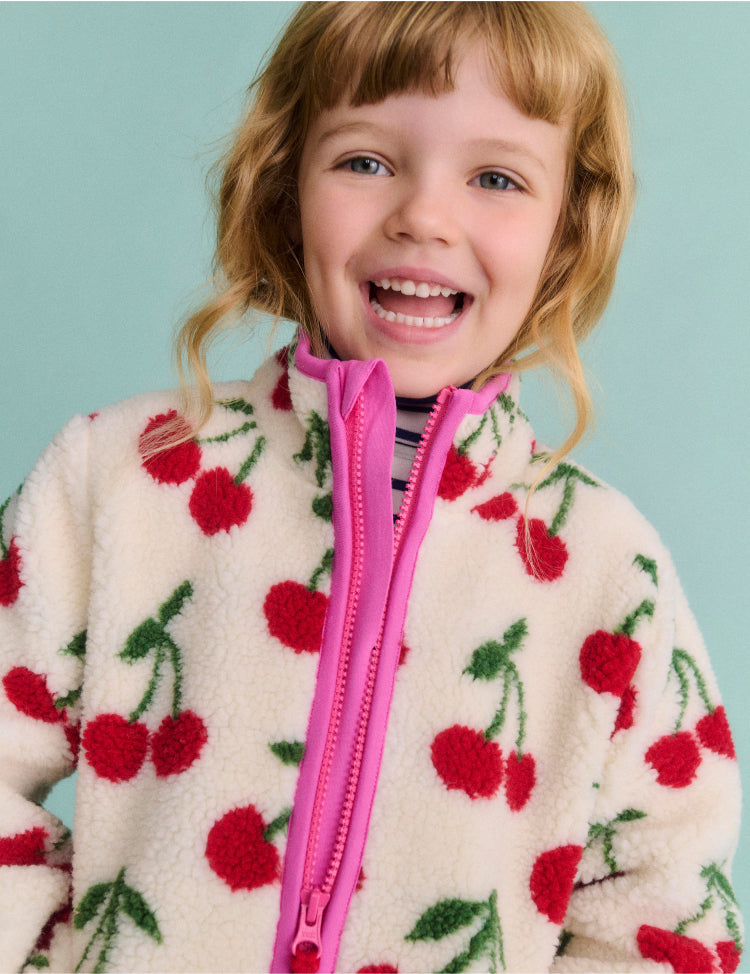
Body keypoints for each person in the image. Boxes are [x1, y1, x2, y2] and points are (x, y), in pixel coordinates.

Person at [0, 2, 743, 972]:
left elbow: (669, 911)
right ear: (283, 186)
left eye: (495, 177)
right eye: (365, 161)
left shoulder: (610, 569)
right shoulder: (117, 477)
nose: (424, 216)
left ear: (567, 230)